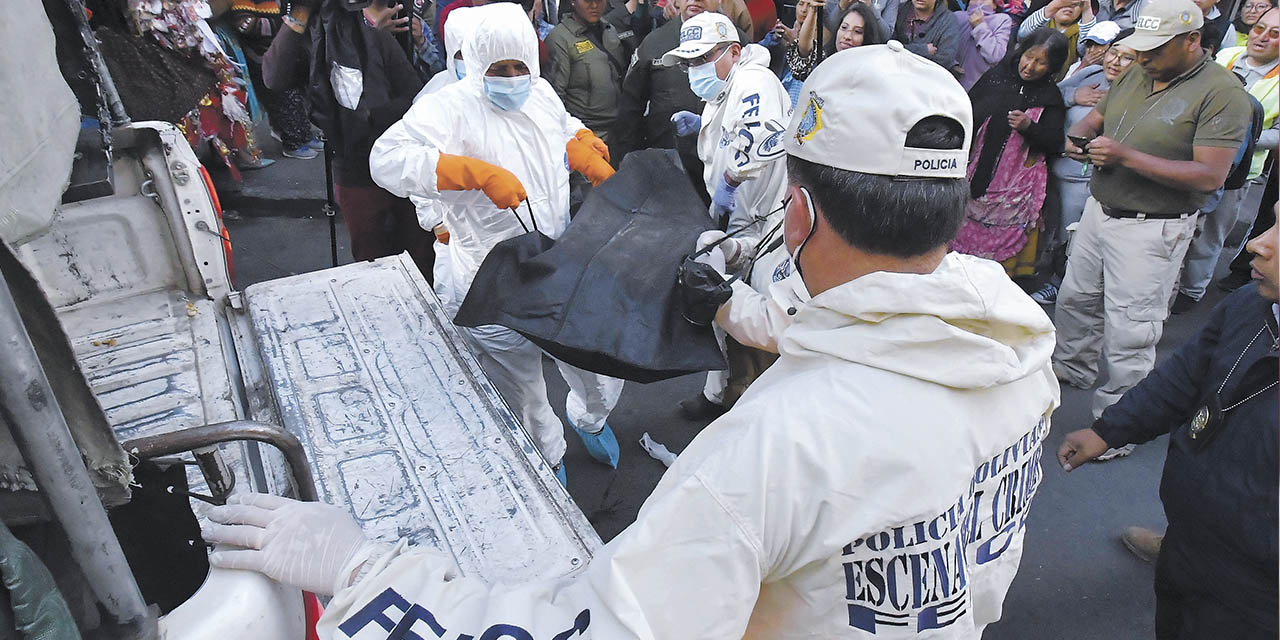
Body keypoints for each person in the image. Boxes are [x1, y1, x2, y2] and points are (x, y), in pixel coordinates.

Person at [200, 42, 1061, 639]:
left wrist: (364, 572)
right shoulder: (1016, 347)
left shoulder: (771, 452)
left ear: (798, 208)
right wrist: (731, 309)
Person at [367, 3, 623, 483]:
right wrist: (468, 173)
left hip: (555, 262)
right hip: (490, 276)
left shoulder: (542, 93)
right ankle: (548, 457)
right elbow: (387, 159)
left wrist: (579, 141)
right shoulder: (450, 106)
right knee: (523, 387)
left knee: (595, 364)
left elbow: (560, 123)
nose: (511, 78)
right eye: (497, 69)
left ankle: (590, 417)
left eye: (519, 66)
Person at [1057, 216, 1278, 640]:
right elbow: (1181, 380)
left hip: (1258, 591)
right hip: (1190, 538)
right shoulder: (1249, 305)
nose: (1257, 245)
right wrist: (1109, 430)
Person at [1052, 0, 1252, 457]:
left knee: (1131, 328)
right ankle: (1073, 369)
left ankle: (1118, 425)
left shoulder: (1222, 93)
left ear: (1191, 41)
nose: (1142, 58)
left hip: (1154, 227)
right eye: (1139, 48)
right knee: (1075, 300)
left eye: (1154, 50)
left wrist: (1125, 157)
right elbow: (1093, 120)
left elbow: (1210, 175)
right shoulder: (1139, 70)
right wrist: (1081, 140)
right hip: (1102, 211)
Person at [664, 11, 792, 418]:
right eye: (688, 63)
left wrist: (732, 179)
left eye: (701, 59)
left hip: (763, 226)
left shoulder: (754, 82)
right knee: (722, 308)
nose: (693, 70)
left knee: (757, 322)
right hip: (735, 220)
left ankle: (753, 408)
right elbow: (734, 123)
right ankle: (717, 393)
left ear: (733, 51)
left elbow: (762, 137)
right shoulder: (726, 88)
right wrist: (702, 123)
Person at [308, 0, 438, 281]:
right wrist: (296, 18)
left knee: (418, 257)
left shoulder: (375, 37)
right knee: (371, 264)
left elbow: (414, 94)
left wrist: (368, 117)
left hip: (402, 163)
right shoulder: (315, 34)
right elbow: (274, 76)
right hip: (353, 169)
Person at [1175, 6, 1278, 310]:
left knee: (1209, 235)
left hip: (1237, 173)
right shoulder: (1226, 55)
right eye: (1259, 29)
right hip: (1193, 158)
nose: (1261, 38)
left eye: (1274, 34)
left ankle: (1191, 291)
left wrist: (1231, 136)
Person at [952, 28, 1068, 278]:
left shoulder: (1049, 98)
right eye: (1029, 56)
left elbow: (1054, 141)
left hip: (1011, 190)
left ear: (1052, 67)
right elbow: (968, 114)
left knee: (996, 268)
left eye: (1041, 63)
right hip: (973, 176)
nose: (1030, 66)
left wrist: (1030, 127)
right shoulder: (996, 78)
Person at [1031, 38, 1136, 305]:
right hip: (1053, 166)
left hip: (1085, 179)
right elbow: (1048, 94)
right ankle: (1044, 271)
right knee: (1048, 228)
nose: (1114, 61)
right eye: (1114, 52)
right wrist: (1072, 96)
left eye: (1127, 58)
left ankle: (1060, 283)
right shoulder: (1091, 73)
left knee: (1073, 236)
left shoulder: (1137, 94)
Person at [615, 0, 722, 166]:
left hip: (721, 164)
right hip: (666, 166)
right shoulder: (655, 43)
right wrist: (626, 162)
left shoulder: (736, 43)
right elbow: (630, 109)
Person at [547, 0, 629, 147]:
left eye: (599, 0)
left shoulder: (610, 30)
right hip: (586, 134)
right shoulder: (560, 39)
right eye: (587, 1)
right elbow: (554, 100)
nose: (594, 5)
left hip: (618, 130)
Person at [785, 0, 884, 81]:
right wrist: (813, 10)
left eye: (857, 31)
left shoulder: (872, 77)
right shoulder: (824, 61)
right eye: (844, 27)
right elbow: (804, 52)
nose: (847, 36)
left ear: (867, 38)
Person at [1017, 0, 1097, 80]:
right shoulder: (1042, 24)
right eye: (1065, 2)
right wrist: (1051, 8)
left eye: (1076, 4)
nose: (1069, 6)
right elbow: (1023, 34)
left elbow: (1086, 47)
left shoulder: (1080, 33)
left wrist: (1087, 9)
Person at [954, 0, 1014, 91]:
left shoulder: (1002, 20)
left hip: (974, 89)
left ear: (995, 5)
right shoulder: (957, 16)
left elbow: (995, 56)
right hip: (947, 81)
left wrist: (980, 27)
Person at [894, 0, 962, 70]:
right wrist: (923, 50)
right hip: (895, 71)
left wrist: (903, 50)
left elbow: (945, 59)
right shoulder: (899, 11)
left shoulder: (948, 20)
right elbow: (889, 47)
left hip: (928, 76)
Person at [822, 0, 899, 40]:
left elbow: (886, 35)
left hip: (872, 50)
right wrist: (841, 7)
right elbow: (830, 28)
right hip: (841, 48)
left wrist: (870, 8)